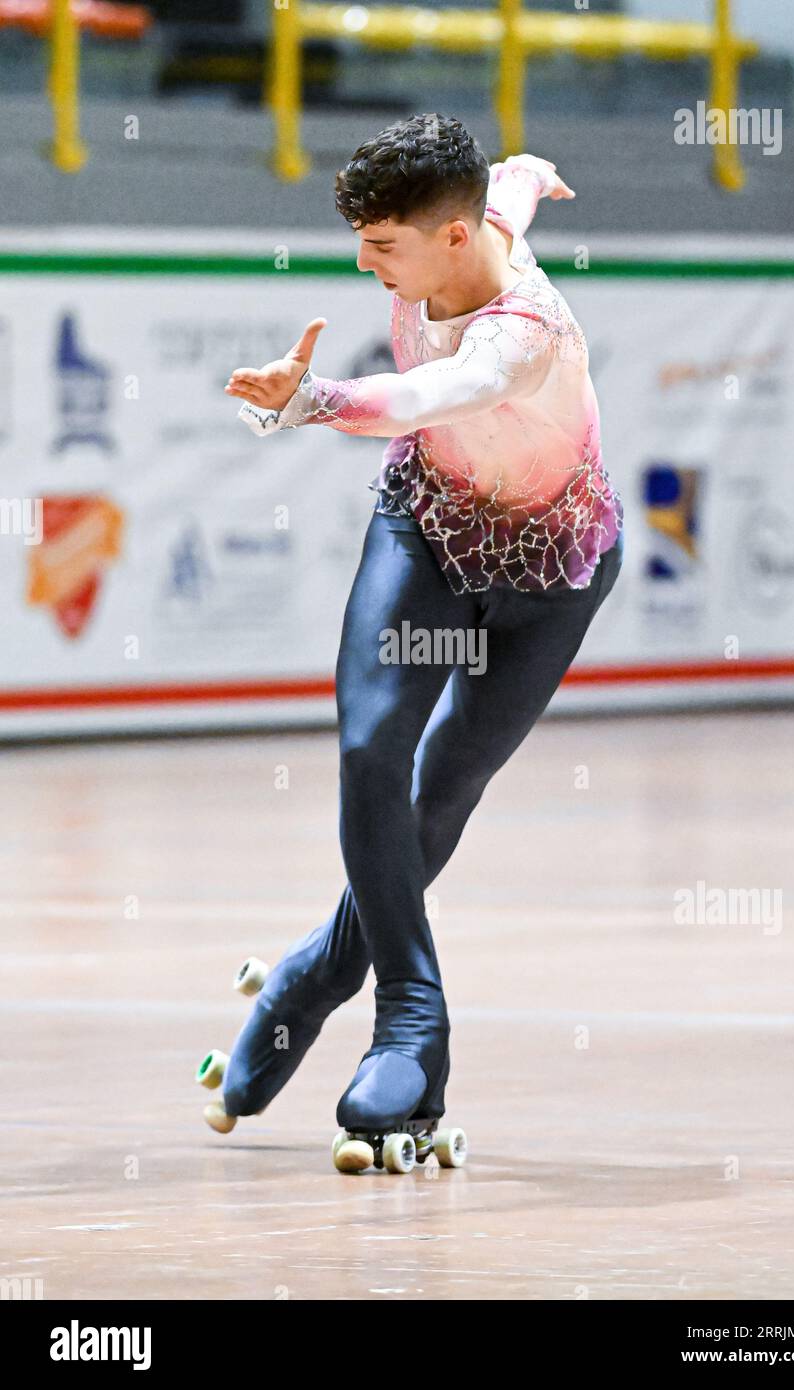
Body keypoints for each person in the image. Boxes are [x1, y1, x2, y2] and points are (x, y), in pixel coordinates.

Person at [218, 112, 624, 1146]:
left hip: (546, 578)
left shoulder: (520, 334)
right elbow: (509, 189)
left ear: (449, 240)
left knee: (439, 786)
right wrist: (531, 167)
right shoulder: (476, 210)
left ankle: (312, 976)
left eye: (381, 243)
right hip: (430, 532)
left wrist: (310, 401)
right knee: (368, 747)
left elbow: (426, 392)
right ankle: (411, 1015)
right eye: (358, 238)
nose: (363, 263)